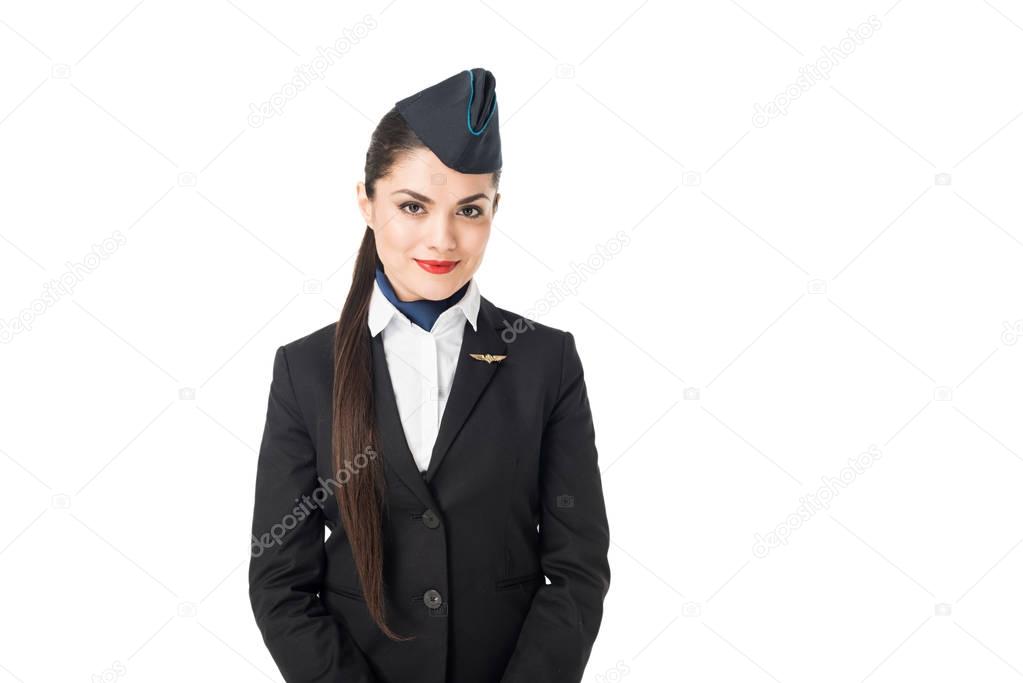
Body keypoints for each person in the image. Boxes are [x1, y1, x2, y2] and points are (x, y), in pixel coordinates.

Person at [248, 67, 611, 683]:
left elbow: (577, 567)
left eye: (469, 209)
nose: (442, 239)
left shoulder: (544, 360)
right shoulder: (305, 369)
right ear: (367, 202)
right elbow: (280, 580)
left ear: (496, 207)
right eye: (412, 206)